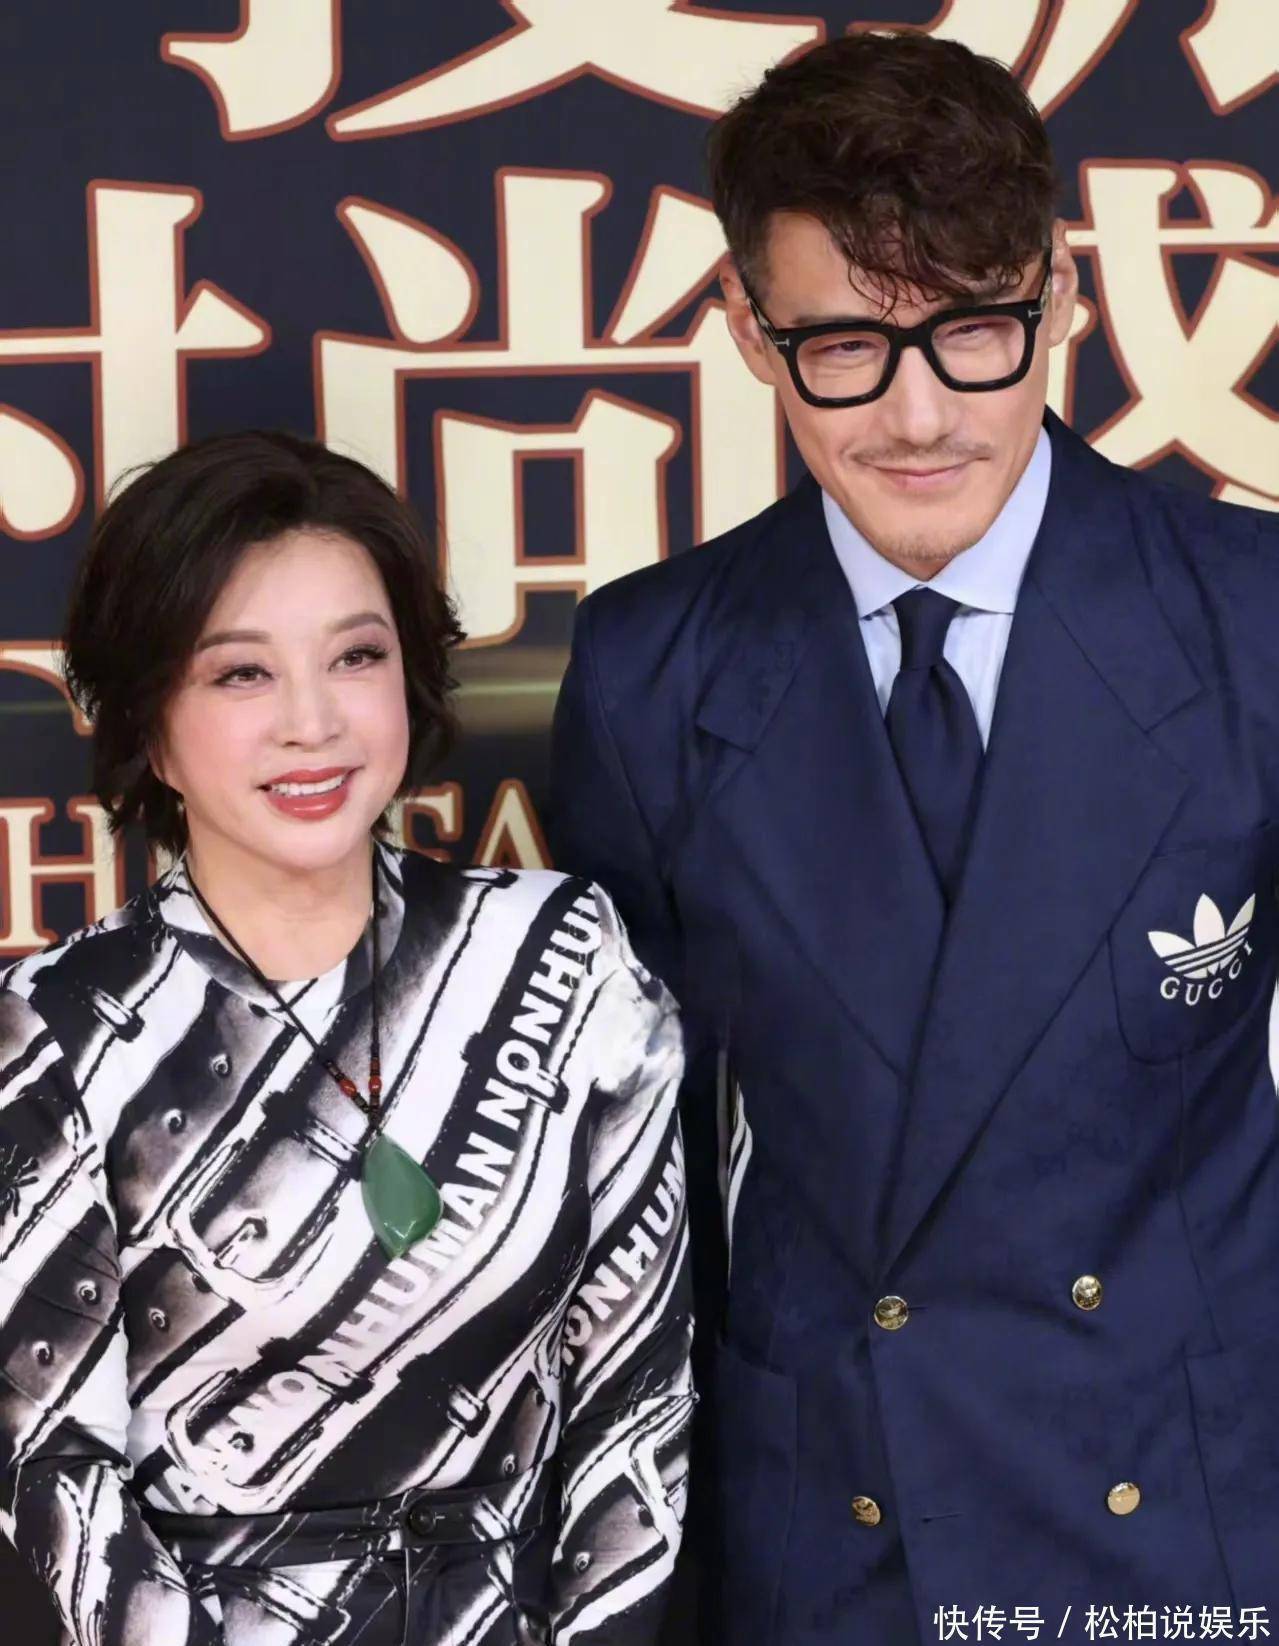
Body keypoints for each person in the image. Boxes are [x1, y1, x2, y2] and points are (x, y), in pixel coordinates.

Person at [549, 29, 1279, 1645]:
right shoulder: (650, 668)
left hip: (1180, 1513)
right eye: (841, 347)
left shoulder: (1249, 617)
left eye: (972, 333)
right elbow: (636, 1194)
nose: (917, 415)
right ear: (745, 326)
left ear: (1060, 299)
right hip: (834, 1518)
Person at [0, 431, 693, 1646]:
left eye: (356, 655)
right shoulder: (50, 1026)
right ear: (151, 726)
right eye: (240, 673)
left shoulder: (559, 950)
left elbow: (636, 1379)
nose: (312, 722)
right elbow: (57, 1471)